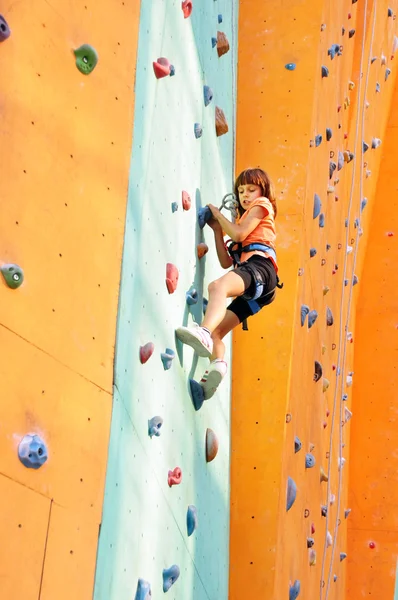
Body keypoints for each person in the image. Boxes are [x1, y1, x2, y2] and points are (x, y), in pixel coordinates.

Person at [175, 167, 279, 400]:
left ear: (262, 191)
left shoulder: (262, 206)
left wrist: (220, 216)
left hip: (261, 269)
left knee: (217, 288)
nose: (245, 195)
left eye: (251, 189)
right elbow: (225, 261)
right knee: (217, 333)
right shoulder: (243, 220)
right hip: (259, 287)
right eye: (241, 190)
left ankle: (202, 332)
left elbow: (240, 235)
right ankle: (217, 365)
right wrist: (217, 230)